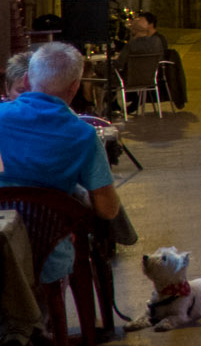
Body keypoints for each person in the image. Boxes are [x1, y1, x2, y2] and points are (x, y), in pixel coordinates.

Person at [0, 43, 121, 288]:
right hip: (46, 253)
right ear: (75, 87)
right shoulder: (83, 136)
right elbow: (108, 210)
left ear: (26, 79)